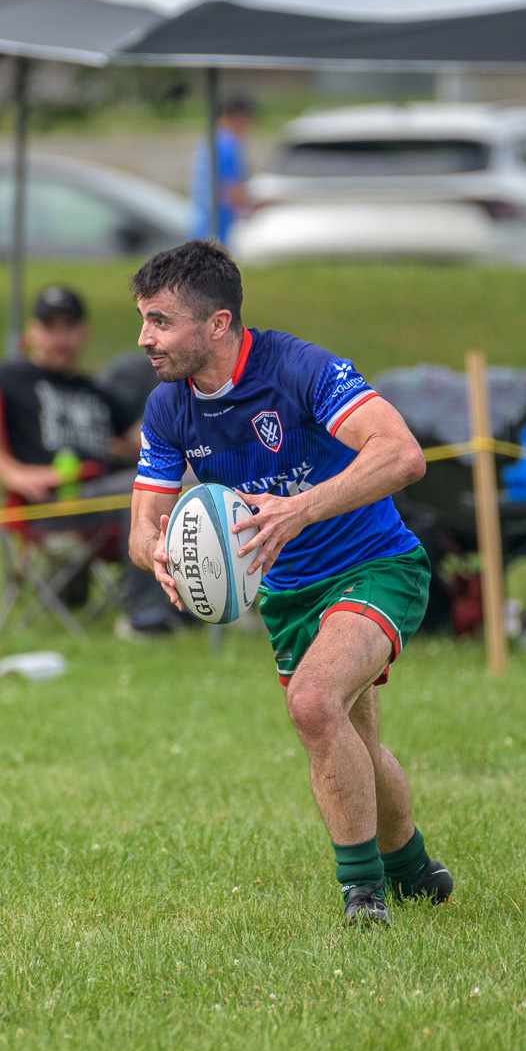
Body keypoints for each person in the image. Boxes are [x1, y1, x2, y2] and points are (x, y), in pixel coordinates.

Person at [127, 240, 452, 927]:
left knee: (311, 703)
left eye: (160, 321)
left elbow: (401, 454)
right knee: (352, 738)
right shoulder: (168, 409)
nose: (144, 338)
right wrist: (159, 554)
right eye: (144, 320)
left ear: (216, 324)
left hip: (375, 565)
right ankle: (413, 869)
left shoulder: (300, 369)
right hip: (290, 593)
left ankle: (363, 896)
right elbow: (142, 527)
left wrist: (299, 508)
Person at [0, 284, 183, 635]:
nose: (60, 338)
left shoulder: (97, 391)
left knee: (180, 484)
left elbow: (149, 444)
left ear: (83, 333)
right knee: (137, 490)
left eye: (69, 328)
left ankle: (202, 604)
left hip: (105, 492)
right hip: (56, 503)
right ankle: (144, 617)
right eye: (49, 327)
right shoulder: (8, 378)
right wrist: (14, 473)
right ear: (31, 332)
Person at [189, 93, 255, 243]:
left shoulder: (212, 139)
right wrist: (253, 210)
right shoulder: (226, 145)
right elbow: (230, 189)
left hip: (203, 221)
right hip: (216, 225)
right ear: (239, 116)